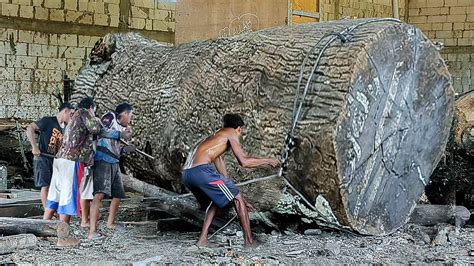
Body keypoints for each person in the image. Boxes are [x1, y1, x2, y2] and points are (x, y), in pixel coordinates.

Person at [182, 113, 279, 248]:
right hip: (201, 172)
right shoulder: (231, 132)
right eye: (240, 132)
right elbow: (243, 162)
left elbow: (222, 175)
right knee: (237, 197)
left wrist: (235, 194)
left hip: (187, 174)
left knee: (216, 199)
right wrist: (268, 161)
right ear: (238, 129)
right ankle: (249, 242)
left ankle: (202, 240)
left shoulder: (215, 138)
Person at [44, 97, 101, 235]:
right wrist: (97, 120)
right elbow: (96, 128)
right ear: (91, 108)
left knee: (54, 197)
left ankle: (42, 231)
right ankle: (62, 238)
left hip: (60, 159)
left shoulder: (73, 117)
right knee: (67, 198)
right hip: (71, 161)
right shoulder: (84, 113)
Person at [88, 103, 133, 240]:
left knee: (118, 194)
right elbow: (100, 131)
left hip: (114, 162)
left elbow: (115, 148)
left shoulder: (121, 126)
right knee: (99, 194)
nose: (130, 119)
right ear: (124, 114)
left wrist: (125, 150)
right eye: (130, 115)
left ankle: (110, 223)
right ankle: (92, 232)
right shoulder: (109, 117)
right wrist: (120, 134)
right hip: (102, 160)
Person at [26, 102, 74, 210]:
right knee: (46, 186)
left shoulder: (65, 127)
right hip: (42, 157)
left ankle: (53, 210)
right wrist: (34, 146)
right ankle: (47, 213)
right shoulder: (48, 121)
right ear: (65, 111)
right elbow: (30, 128)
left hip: (55, 160)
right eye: (70, 114)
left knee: (55, 187)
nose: (71, 117)